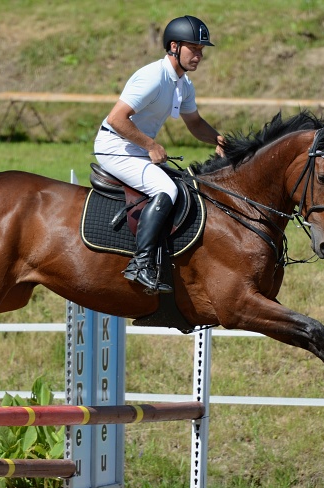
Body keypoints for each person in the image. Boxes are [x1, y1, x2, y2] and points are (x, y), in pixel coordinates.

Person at [94, 15, 225, 294]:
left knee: (183, 185)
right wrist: (150, 145)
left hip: (133, 148)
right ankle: (140, 264)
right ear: (174, 46)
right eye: (195, 48)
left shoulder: (183, 83)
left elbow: (195, 123)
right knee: (166, 188)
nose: (200, 55)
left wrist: (218, 138)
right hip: (115, 147)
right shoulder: (153, 77)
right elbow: (117, 119)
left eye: (202, 50)